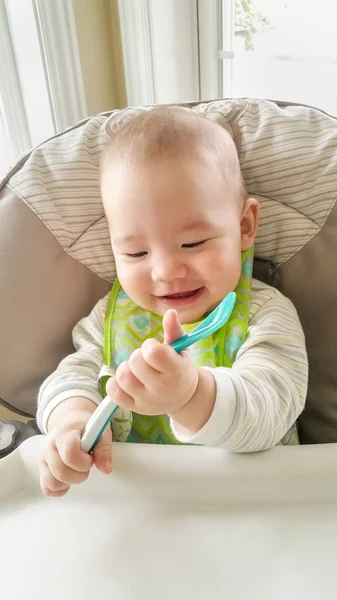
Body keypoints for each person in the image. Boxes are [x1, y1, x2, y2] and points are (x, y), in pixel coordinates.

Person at [37, 106, 308, 497]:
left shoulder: (266, 316)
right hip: (142, 506)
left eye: (193, 243)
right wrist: (71, 420)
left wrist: (191, 396)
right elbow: (71, 376)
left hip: (254, 504)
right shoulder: (109, 320)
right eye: (135, 253)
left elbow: (272, 408)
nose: (165, 271)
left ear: (245, 225)